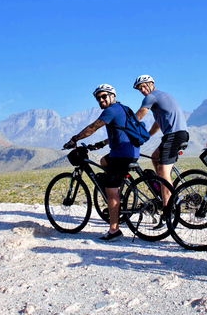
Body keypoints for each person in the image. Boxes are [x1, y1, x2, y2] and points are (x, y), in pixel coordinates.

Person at [63, 84, 139, 242]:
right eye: (98, 98)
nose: (101, 100)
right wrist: (102, 144)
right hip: (129, 152)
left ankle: (114, 231)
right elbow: (122, 131)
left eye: (104, 96)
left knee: (110, 190)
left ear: (113, 96)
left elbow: (93, 127)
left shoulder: (111, 110)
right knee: (104, 161)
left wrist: (74, 139)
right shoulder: (123, 108)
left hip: (121, 155)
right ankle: (116, 190)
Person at [133, 75, 189, 215]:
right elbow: (158, 124)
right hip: (176, 134)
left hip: (174, 135)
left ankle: (168, 210)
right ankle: (162, 189)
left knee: (164, 173)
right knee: (155, 157)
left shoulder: (151, 97)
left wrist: (126, 125)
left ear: (152, 83)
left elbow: (139, 115)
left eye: (144, 86)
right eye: (140, 89)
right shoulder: (161, 97)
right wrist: (147, 136)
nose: (143, 90)